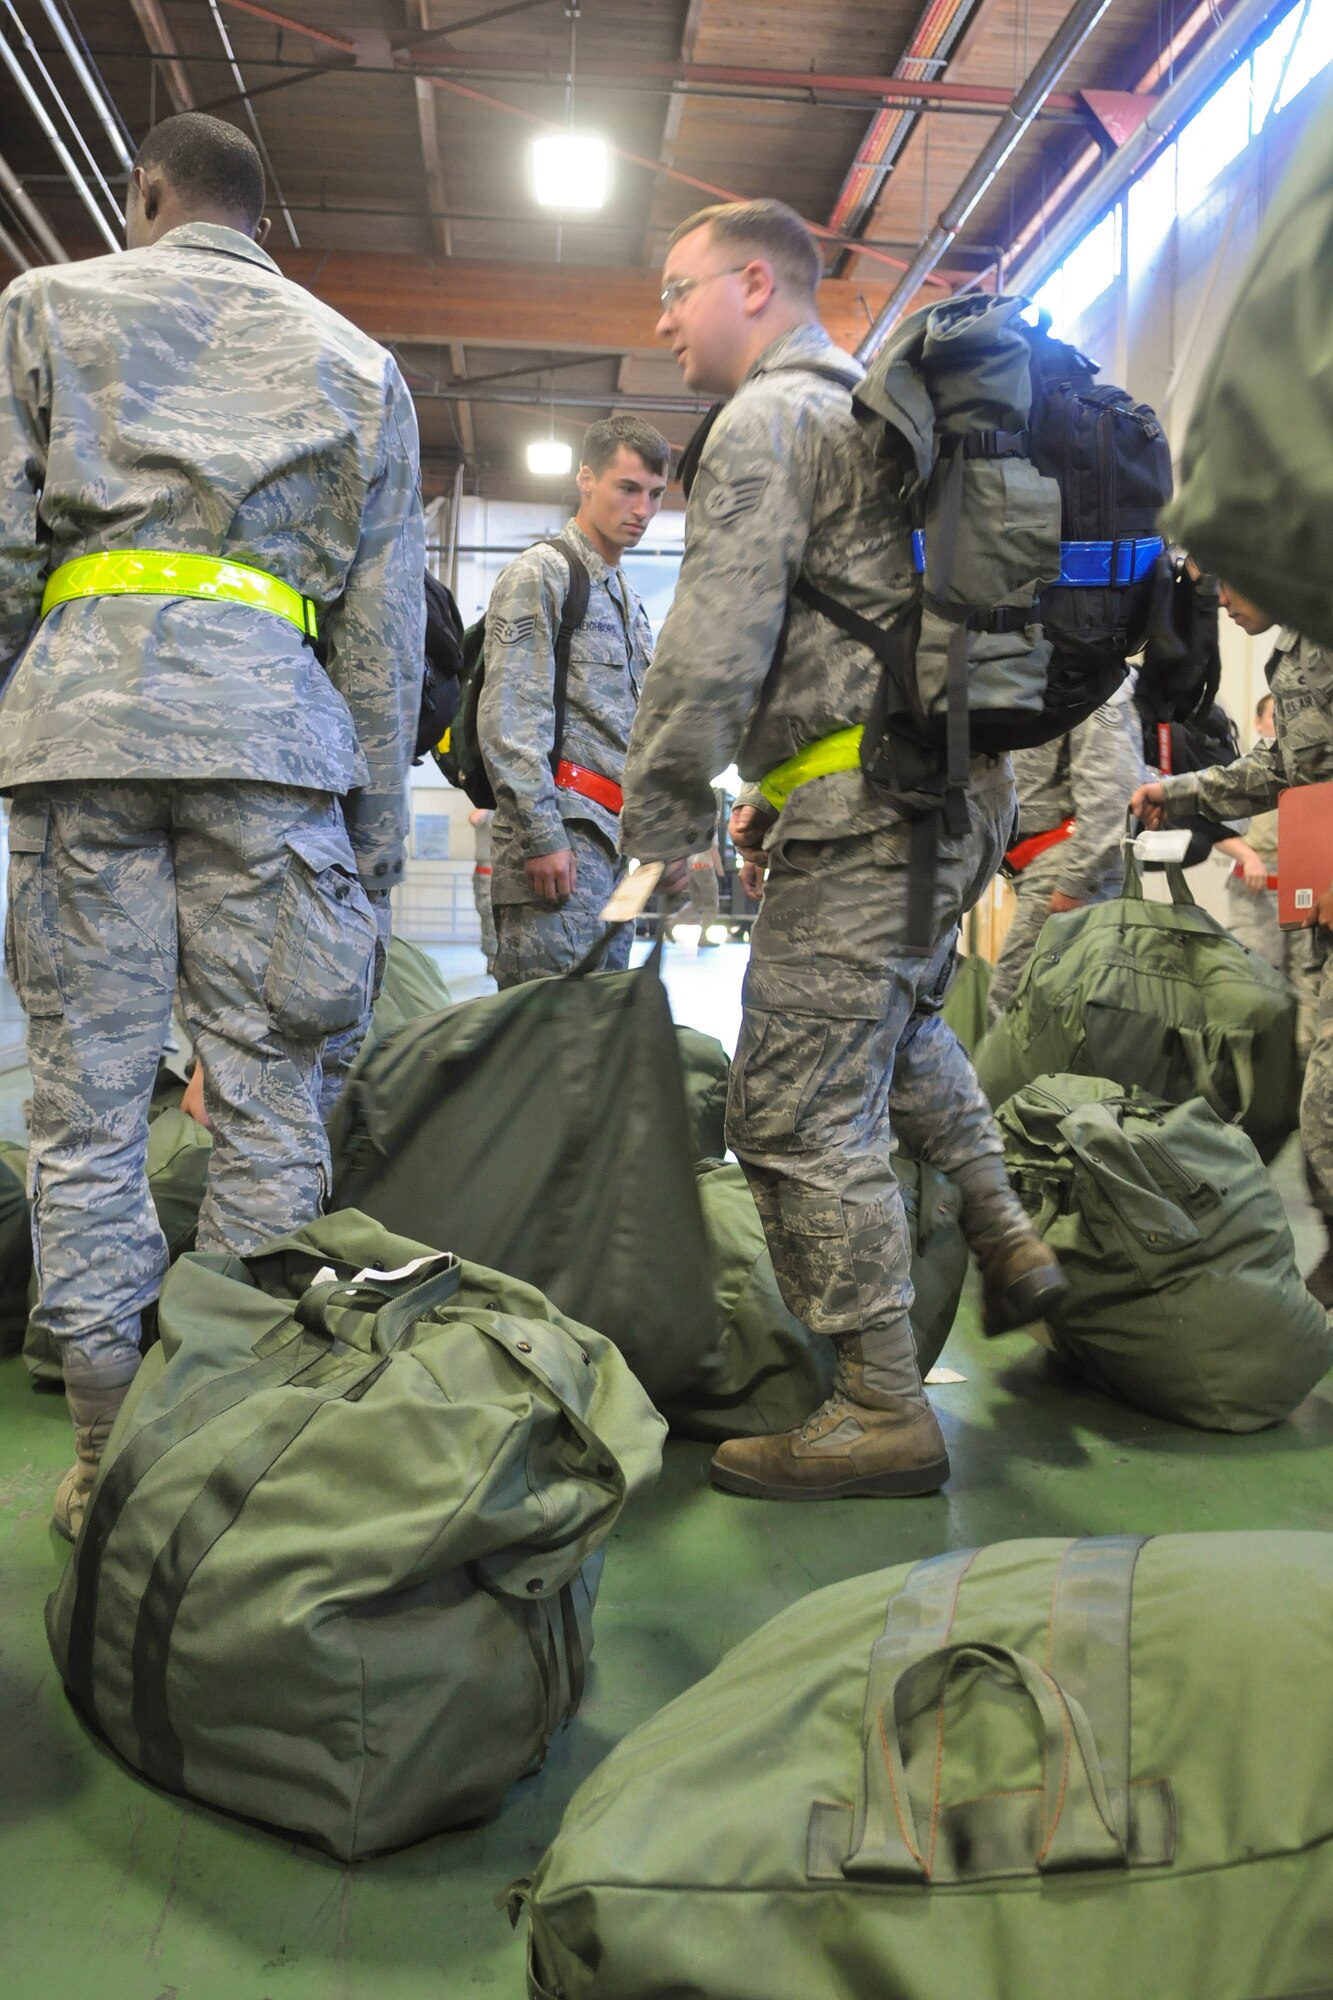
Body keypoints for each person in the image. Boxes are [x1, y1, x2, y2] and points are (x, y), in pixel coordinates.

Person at [0, 113, 423, 1538]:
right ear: (259, 213)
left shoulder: (46, 310)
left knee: (86, 1105)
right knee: (266, 1099)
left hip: (85, 737)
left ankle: (105, 1454)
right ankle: (233, 1439)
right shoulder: (359, 364)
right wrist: (369, 856)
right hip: (276, 745)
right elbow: (383, 644)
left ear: (146, 196)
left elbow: (3, 555)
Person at [621, 198, 1065, 1502]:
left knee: (790, 1103)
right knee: (897, 1026)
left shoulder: (768, 422)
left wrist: (655, 840)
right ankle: (999, 1220)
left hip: (870, 813)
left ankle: (880, 1404)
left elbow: (707, 657)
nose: (661, 317)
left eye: (677, 286)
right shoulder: (879, 419)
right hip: (949, 798)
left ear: (755, 283)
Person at [1131, 582, 1333, 1304]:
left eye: (1226, 576)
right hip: (1317, 913)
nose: (1216, 598)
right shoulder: (1300, 643)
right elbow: (1289, 767)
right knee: (1317, 1095)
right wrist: (1180, 792)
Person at [478, 416, 668, 987]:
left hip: (614, 853)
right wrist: (541, 837)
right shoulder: (543, 573)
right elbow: (510, 718)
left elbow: (640, 734)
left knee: (600, 1036)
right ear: (587, 479)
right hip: (560, 844)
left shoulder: (630, 603)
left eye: (655, 495)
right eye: (627, 488)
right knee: (547, 1041)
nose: (643, 509)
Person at [988, 685, 1145, 1019]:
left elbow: (1114, 794)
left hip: (1067, 866)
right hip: (1042, 866)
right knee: (1041, 1014)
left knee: (1012, 1010)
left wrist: (1076, 881)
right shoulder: (1045, 673)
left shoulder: (1092, 680)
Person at [1214, 692, 1322, 1064]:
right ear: (1259, 722)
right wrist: (1247, 855)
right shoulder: (1244, 770)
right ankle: (1249, 1090)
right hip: (1257, 890)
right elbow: (1213, 828)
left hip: (1306, 890)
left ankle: (1295, 1097)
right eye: (1275, 716)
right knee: (1255, 987)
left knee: (1308, 993)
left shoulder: (1314, 767)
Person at [469, 806, 498, 975]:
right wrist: (489, 802)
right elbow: (474, 818)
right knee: (489, 919)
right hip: (487, 873)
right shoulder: (487, 809)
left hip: (505, 872)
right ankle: (493, 958)